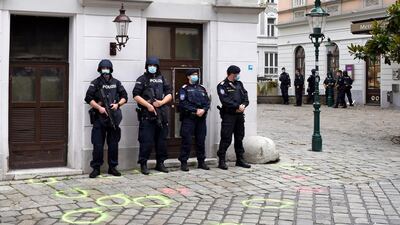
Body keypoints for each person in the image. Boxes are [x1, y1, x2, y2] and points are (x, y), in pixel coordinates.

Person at [84, 59, 128, 178]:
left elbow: (125, 96)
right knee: (97, 144)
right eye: (103, 69)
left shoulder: (116, 83)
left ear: (110, 70)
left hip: (113, 118)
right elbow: (88, 98)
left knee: (113, 144)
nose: (105, 71)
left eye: (107, 69)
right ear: (100, 70)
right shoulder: (96, 83)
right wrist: (99, 107)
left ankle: (112, 167)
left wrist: (118, 104)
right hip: (99, 118)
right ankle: (96, 168)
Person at [132, 57, 172, 175]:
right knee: (146, 141)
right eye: (150, 65)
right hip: (147, 115)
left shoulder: (162, 79)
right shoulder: (142, 79)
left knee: (162, 141)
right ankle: (143, 164)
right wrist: (148, 105)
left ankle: (160, 163)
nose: (152, 67)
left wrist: (161, 102)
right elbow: (135, 95)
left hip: (161, 114)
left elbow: (169, 93)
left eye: (154, 66)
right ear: (147, 66)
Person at [217, 65, 251, 170]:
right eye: (237, 74)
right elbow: (225, 100)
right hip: (229, 116)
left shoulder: (239, 84)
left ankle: (240, 159)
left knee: (239, 137)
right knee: (226, 137)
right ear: (232, 74)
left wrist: (243, 105)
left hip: (239, 116)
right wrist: (237, 106)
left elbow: (245, 96)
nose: (238, 76)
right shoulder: (222, 85)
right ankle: (221, 160)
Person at [178, 69, 210, 172]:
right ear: (188, 76)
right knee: (186, 140)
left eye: (196, 74)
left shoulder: (202, 88)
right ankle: (184, 162)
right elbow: (183, 103)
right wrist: (196, 110)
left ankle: (201, 162)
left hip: (201, 119)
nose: (195, 76)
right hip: (189, 118)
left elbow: (207, 102)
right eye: (193, 75)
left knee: (201, 140)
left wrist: (204, 110)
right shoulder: (184, 89)